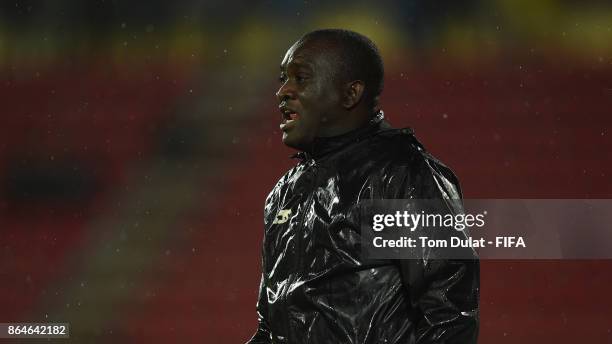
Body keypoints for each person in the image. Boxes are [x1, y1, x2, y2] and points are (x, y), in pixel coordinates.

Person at [247, 29, 479, 344]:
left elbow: (449, 319)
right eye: (282, 79)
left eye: (300, 78)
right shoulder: (284, 192)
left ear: (350, 94)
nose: (283, 92)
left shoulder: (402, 175)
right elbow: (269, 329)